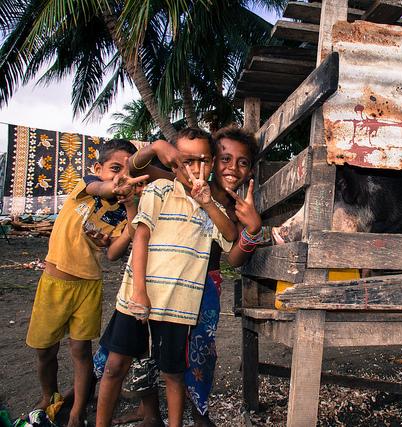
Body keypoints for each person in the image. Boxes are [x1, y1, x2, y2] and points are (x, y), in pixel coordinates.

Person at [100, 125, 263, 426]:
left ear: (250, 169)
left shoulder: (236, 206)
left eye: (242, 162)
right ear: (213, 160)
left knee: (196, 356)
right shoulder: (180, 182)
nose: (232, 168)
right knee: (144, 350)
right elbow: (136, 168)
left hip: (202, 286)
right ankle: (150, 412)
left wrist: (252, 229)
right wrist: (156, 147)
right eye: (225, 159)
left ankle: (199, 414)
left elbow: (235, 257)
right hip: (161, 277)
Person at [25, 139, 146, 427]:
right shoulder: (87, 186)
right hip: (53, 282)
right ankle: (49, 395)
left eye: (128, 172)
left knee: (80, 351)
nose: (122, 177)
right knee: (45, 351)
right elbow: (101, 188)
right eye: (115, 169)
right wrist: (114, 187)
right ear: (97, 168)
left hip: (88, 286)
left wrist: (129, 207)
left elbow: (114, 253)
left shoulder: (122, 212)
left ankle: (78, 409)